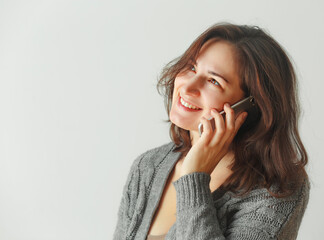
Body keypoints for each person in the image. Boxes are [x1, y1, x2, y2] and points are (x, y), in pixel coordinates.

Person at [113, 22, 310, 240]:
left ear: (251, 106)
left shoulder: (278, 189)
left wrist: (194, 178)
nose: (187, 88)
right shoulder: (148, 166)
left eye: (213, 81)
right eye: (191, 68)